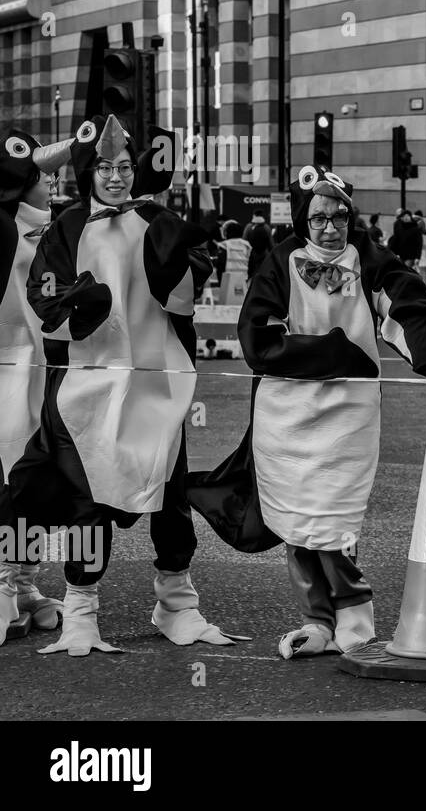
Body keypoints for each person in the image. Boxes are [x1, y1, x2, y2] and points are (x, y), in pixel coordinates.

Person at [189, 165, 426, 657]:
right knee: (297, 521)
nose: (330, 227)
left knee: (335, 524)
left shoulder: (372, 260)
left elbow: (409, 309)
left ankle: (355, 625)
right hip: (286, 416)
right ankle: (316, 621)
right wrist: (335, 351)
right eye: (319, 218)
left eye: (339, 216)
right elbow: (258, 339)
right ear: (304, 219)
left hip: (348, 417)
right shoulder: (280, 261)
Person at [7, 115, 244, 655]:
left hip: (156, 383)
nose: (115, 177)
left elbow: (184, 296)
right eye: (105, 167)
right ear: (89, 171)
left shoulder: (158, 218)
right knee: (87, 501)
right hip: (87, 389)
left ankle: (177, 603)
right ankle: (82, 609)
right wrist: (81, 306)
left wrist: (180, 263)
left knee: (168, 492)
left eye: (123, 166)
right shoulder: (65, 227)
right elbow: (46, 306)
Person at [0, 130, 64, 643]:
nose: (53, 181)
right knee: (9, 478)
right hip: (4, 370)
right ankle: (2, 585)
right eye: (44, 175)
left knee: (33, 479)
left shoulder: (48, 227)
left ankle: (23, 584)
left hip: (37, 367)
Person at [244, 212, 272, 277]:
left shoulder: (249, 226)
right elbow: (270, 242)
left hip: (251, 252)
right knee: (262, 270)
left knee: (252, 271)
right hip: (264, 252)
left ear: (254, 216)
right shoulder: (266, 227)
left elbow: (244, 239)